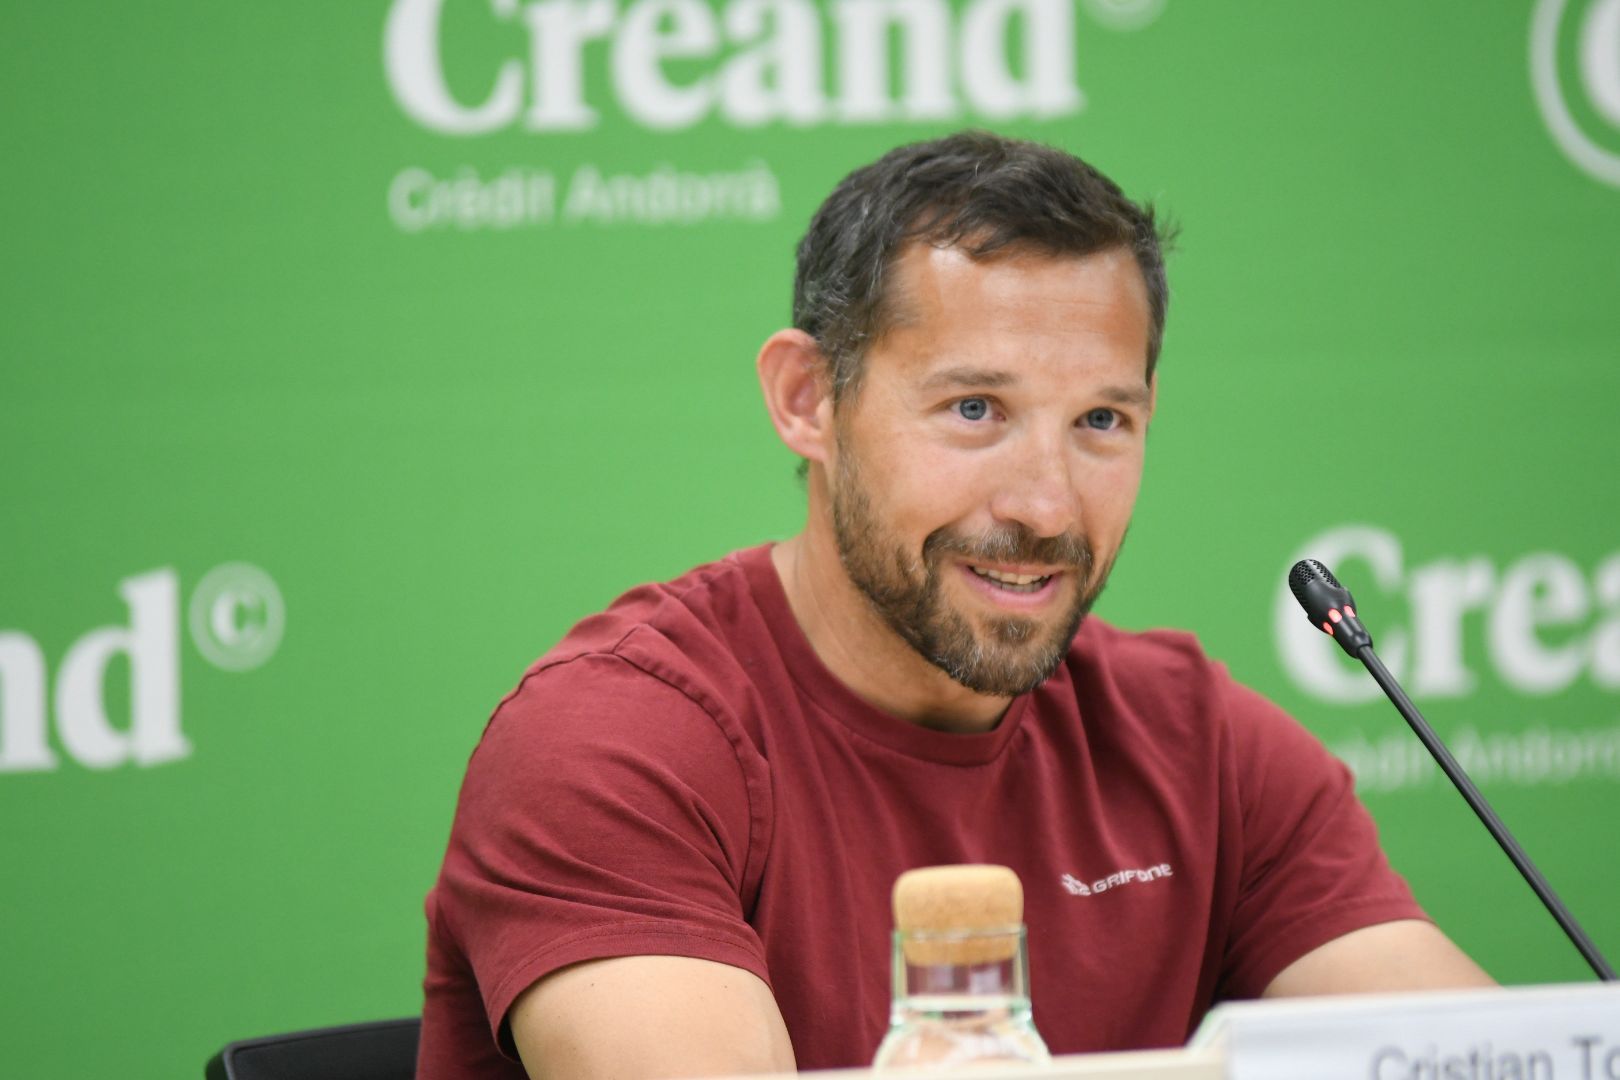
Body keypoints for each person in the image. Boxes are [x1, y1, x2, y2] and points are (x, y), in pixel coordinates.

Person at [415, 131, 1492, 1080]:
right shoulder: (615, 744)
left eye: (1102, 421)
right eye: (974, 408)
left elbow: (1468, 1060)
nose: (1044, 505)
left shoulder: (1202, 748)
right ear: (808, 400)